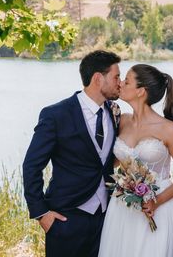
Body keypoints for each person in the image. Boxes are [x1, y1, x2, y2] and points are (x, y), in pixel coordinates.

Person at [22, 50, 122, 257]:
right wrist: (42, 214)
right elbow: (32, 166)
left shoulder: (113, 112)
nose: (120, 83)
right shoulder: (56, 115)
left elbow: (105, 161)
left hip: (106, 218)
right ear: (97, 78)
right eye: (116, 77)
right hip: (66, 219)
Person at [98, 63, 173, 257]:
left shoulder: (168, 129)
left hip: (158, 207)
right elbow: (116, 162)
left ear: (141, 91)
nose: (121, 85)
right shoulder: (122, 120)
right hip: (123, 209)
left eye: (127, 81)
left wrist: (156, 201)